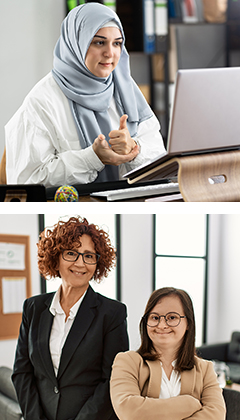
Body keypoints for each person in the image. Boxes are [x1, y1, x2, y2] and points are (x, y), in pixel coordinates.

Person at [5, 2, 165, 187]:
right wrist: (92, 158)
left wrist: (134, 149)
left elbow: (159, 156)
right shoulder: (41, 102)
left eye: (117, 43)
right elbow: (27, 182)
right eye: (99, 42)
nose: (110, 53)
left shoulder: (126, 88)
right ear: (75, 43)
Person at [12, 216, 129, 420]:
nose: (80, 263)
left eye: (89, 256)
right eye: (71, 253)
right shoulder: (33, 307)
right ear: (55, 257)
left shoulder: (112, 313)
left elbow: (112, 380)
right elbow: (22, 372)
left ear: (97, 263)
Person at [110, 287, 226, 420]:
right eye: (155, 317)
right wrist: (189, 404)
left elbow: (216, 415)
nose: (162, 325)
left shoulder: (205, 369)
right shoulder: (127, 361)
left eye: (172, 317)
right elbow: (130, 412)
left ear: (188, 323)